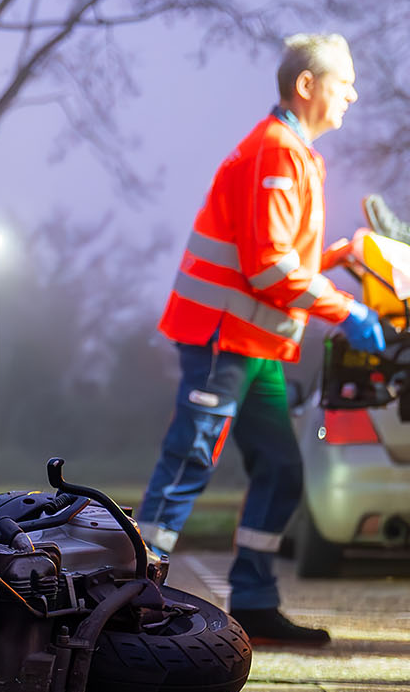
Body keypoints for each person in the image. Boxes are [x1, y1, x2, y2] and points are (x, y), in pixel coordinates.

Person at [137, 32, 388, 646]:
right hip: (225, 339)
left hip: (252, 345)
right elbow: (269, 270)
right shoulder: (277, 152)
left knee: (279, 470)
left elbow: (279, 260)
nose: (353, 94)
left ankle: (252, 602)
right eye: (344, 81)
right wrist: (346, 309)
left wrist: (332, 257)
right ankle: (128, 600)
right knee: (190, 459)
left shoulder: (293, 152)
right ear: (307, 85)